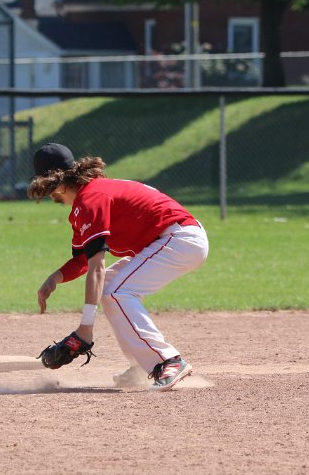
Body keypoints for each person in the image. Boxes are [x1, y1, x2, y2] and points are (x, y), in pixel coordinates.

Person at [28, 143, 209, 392]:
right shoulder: (87, 200)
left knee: (116, 291)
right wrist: (56, 277)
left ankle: (168, 361)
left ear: (54, 184)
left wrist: (85, 329)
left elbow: (96, 268)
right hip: (173, 239)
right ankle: (142, 366)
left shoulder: (91, 199)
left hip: (179, 239)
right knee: (111, 287)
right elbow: (83, 260)